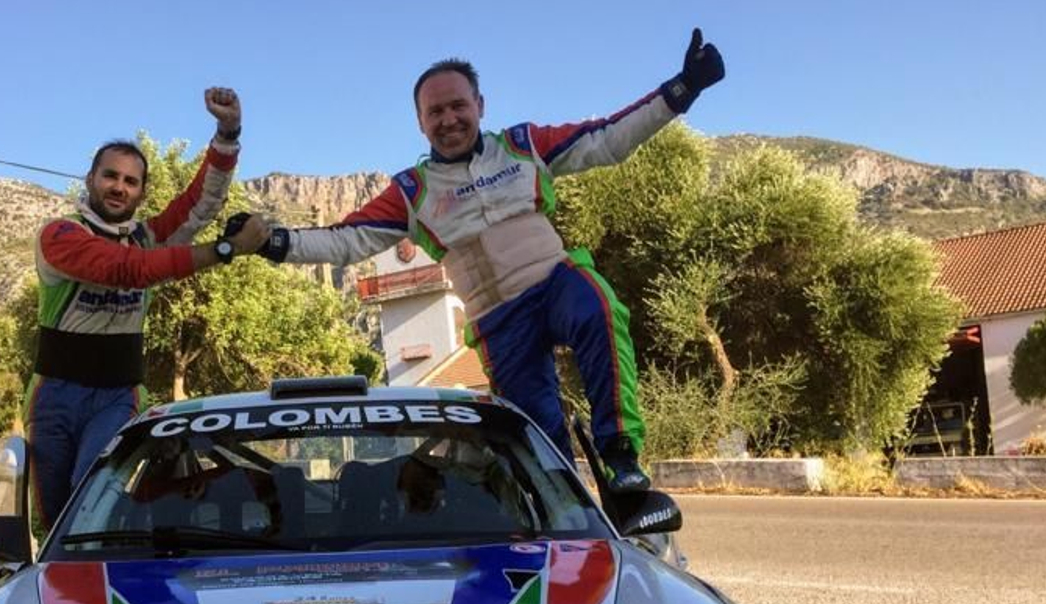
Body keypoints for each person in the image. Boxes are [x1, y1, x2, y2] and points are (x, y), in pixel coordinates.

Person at [237, 31, 726, 493]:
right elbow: (346, 241)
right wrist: (271, 242)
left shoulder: (523, 147)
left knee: (597, 304)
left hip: (554, 281)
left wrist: (682, 89)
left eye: (458, 106)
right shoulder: (413, 191)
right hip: (498, 319)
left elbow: (606, 139)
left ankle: (620, 456)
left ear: (480, 106)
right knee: (535, 436)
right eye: (435, 112)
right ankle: (561, 505)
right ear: (420, 123)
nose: (448, 119)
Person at [25, 87, 270, 526]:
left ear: (141, 192)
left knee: (92, 495)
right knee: (51, 516)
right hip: (54, 395)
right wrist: (227, 251)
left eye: (130, 180)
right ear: (90, 179)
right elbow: (126, 270)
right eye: (110, 176)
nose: (119, 187)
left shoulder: (148, 237)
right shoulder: (59, 235)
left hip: (118, 393)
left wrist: (227, 133)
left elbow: (202, 203)